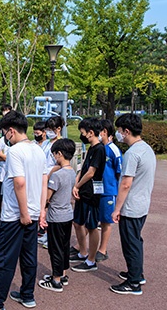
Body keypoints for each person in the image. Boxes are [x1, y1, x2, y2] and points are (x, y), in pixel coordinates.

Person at [0, 111, 47, 310]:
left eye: (4, 132)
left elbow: (19, 183)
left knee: (6, 259)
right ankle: (27, 295)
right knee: (29, 256)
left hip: (16, 215)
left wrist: (23, 213)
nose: (4, 136)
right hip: (32, 211)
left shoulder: (14, 152)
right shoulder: (39, 149)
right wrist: (40, 210)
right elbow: (43, 181)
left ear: (11, 131)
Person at [110, 113, 156, 296]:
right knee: (135, 241)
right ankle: (136, 273)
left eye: (120, 131)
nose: (118, 134)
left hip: (131, 206)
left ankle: (134, 282)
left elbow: (126, 184)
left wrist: (117, 209)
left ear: (126, 131)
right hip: (142, 203)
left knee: (131, 243)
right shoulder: (146, 149)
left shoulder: (132, 154)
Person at [38, 138, 77, 293]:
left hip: (56, 216)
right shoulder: (71, 172)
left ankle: (56, 280)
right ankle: (62, 273)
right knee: (64, 245)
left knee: (55, 248)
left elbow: (48, 196)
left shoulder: (57, 176)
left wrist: (43, 209)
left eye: (54, 154)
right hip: (67, 214)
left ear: (59, 154)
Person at [70, 117, 105, 273]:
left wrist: (77, 185)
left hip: (92, 193)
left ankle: (91, 260)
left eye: (83, 133)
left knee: (92, 227)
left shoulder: (100, 149)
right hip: (83, 191)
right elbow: (84, 168)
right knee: (77, 223)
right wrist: (77, 182)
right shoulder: (91, 148)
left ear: (91, 133)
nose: (82, 135)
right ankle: (82, 252)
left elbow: (91, 173)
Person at [96, 119, 123, 262]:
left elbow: (120, 171)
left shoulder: (113, 150)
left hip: (108, 191)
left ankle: (102, 249)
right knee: (93, 220)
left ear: (104, 132)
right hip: (95, 190)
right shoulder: (97, 147)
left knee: (106, 221)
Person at [38, 116, 65, 248]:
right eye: (47, 129)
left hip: (53, 179)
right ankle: (46, 233)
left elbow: (60, 164)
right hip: (44, 178)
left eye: (51, 129)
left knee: (52, 207)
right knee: (45, 206)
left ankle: (52, 237)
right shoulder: (47, 143)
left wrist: (48, 175)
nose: (48, 132)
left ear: (58, 129)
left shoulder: (61, 144)